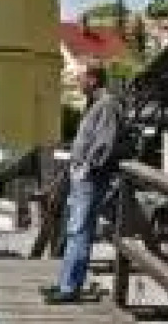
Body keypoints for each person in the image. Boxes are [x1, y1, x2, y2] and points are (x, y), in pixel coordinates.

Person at [45, 63, 125, 305]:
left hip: (89, 178)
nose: (77, 83)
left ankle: (69, 288)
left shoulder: (107, 104)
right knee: (76, 229)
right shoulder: (97, 103)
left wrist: (86, 168)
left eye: (80, 78)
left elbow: (104, 142)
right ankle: (67, 283)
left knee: (79, 230)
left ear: (92, 79)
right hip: (84, 177)